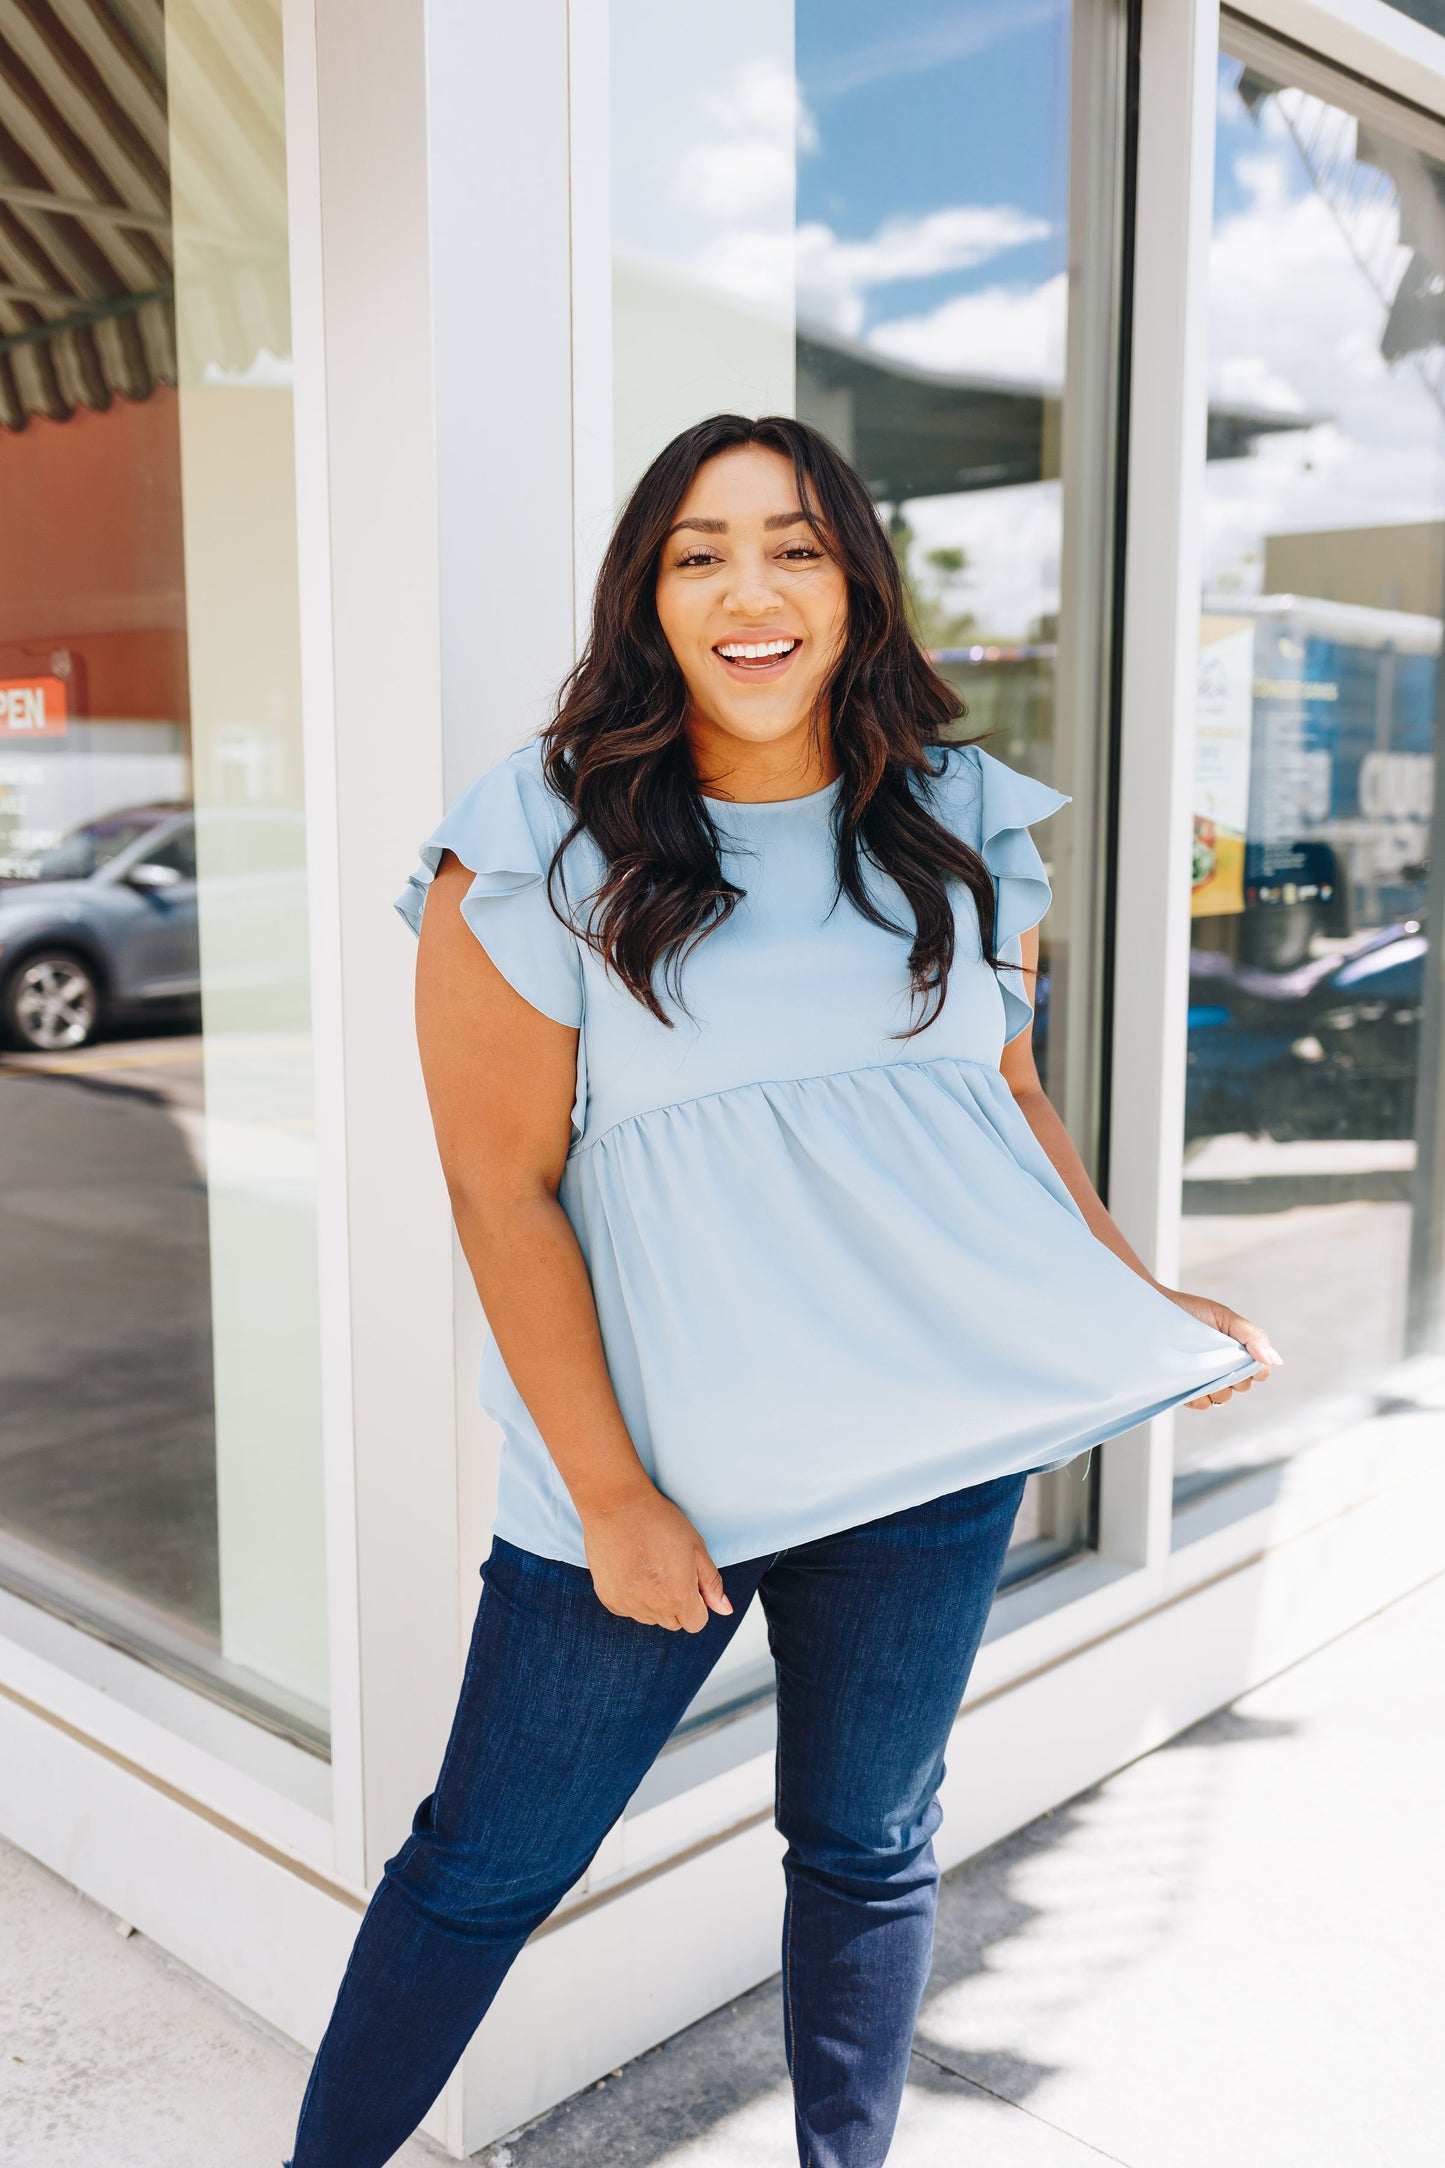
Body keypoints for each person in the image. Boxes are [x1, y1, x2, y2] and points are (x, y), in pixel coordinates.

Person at [286, 414, 1277, 2168]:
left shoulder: (960, 823)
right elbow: (496, 1188)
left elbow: (1005, 1099)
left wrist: (1141, 1302)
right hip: (654, 1489)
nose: (753, 588)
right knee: (482, 1867)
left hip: (931, 1462)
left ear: (855, 588)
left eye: (798, 546)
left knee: (871, 1848)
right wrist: (609, 1497)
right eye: (702, 551)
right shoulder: (531, 844)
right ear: (648, 597)